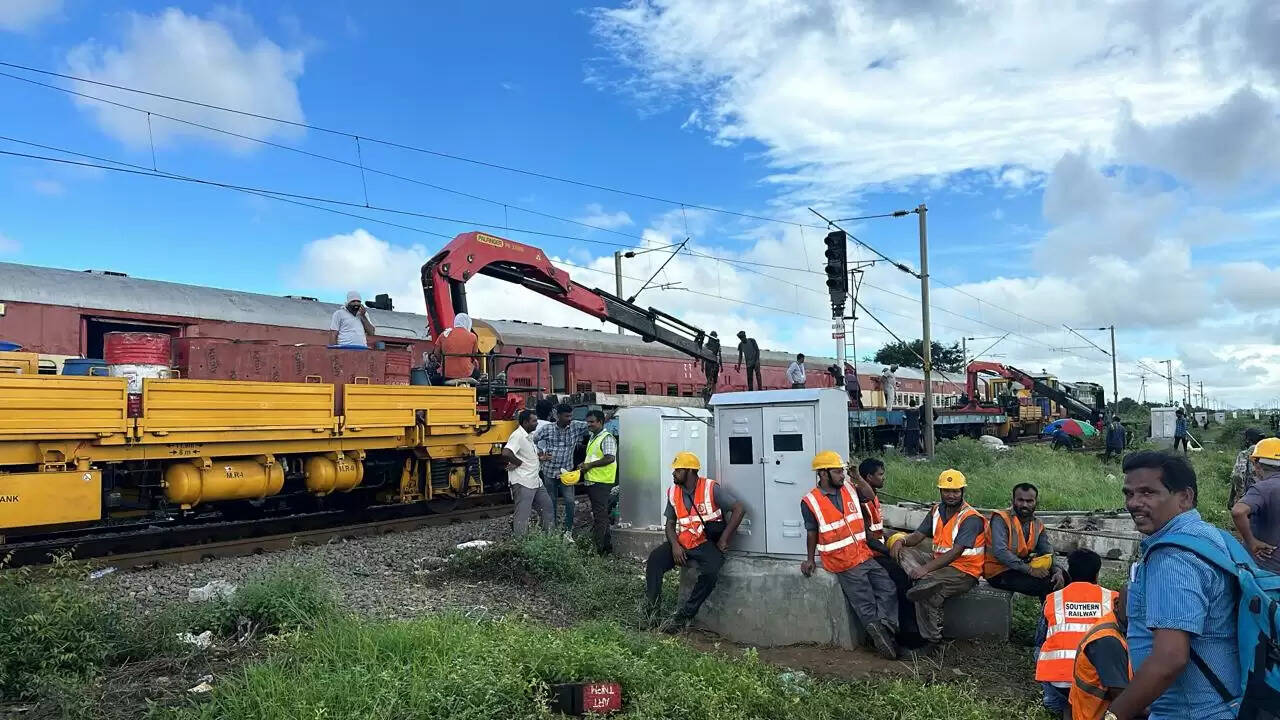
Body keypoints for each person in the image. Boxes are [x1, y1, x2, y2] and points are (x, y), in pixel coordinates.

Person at [1107, 451, 1239, 720]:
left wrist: (1112, 716)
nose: (1134, 503)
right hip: (1229, 700)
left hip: (1193, 711)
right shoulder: (1213, 537)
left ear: (1185, 497)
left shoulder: (1173, 558)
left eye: (1148, 493)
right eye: (1129, 493)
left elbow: (1170, 659)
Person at [800, 451, 900, 659]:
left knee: (887, 587)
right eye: (837, 472)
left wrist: (857, 476)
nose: (841, 476)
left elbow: (870, 496)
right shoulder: (810, 501)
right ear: (823, 474)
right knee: (864, 600)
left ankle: (885, 627)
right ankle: (881, 638)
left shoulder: (849, 488)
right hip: (841, 560)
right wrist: (810, 559)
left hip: (863, 553)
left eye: (842, 471)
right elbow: (812, 532)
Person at [642, 451, 745, 633]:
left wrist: (723, 539)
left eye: (678, 470)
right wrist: (674, 546)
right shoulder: (673, 492)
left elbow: (738, 509)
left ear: (690, 471)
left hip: (705, 542)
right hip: (683, 542)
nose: (673, 473)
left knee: (711, 571)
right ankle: (652, 615)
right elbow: (670, 524)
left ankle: (684, 616)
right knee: (655, 560)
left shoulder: (710, 488)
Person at [891, 469, 987, 654]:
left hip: (964, 571)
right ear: (940, 491)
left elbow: (956, 552)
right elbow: (918, 536)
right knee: (904, 552)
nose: (951, 495)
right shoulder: (936, 510)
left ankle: (931, 642)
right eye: (946, 491)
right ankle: (921, 581)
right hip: (938, 564)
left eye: (955, 491)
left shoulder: (971, 518)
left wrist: (925, 569)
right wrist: (900, 540)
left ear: (962, 492)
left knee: (927, 595)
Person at [1035, 549, 1118, 719]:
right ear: (1096, 575)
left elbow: (1039, 639)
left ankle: (1055, 700)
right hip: (1097, 681)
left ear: (1069, 574)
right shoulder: (1113, 598)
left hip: (1059, 680)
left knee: (1039, 648)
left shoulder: (1053, 599)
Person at [851, 457, 921, 644]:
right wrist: (889, 550)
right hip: (870, 553)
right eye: (880, 475)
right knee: (901, 582)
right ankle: (907, 634)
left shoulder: (872, 499)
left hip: (876, 550)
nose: (884, 478)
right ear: (868, 477)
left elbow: (878, 530)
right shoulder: (863, 503)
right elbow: (868, 537)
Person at [985, 483, 1066, 598]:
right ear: (1013, 500)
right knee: (1047, 584)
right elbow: (1000, 552)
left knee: (1063, 578)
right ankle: (1048, 616)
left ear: (1036, 502)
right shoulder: (1001, 518)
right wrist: (1030, 570)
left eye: (1029, 501)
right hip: (998, 572)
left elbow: (1047, 552)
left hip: (1020, 569)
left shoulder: (1038, 524)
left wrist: (1057, 570)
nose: (1024, 505)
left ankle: (1055, 615)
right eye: (1020, 500)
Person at [1069, 588, 1132, 720]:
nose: (1134, 612)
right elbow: (1124, 703)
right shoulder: (1108, 641)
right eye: (1130, 606)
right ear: (1116, 604)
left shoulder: (1121, 627)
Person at [532, 403, 586, 540]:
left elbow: (592, 425)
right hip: (549, 471)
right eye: (566, 416)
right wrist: (540, 454)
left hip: (566, 472)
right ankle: (553, 530)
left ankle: (568, 530)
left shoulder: (575, 426)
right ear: (558, 415)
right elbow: (532, 440)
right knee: (551, 502)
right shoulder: (547, 429)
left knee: (570, 501)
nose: (569, 418)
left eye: (571, 416)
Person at [1231, 436, 1280, 572]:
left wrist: (1251, 541)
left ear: (1257, 464)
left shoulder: (1263, 488)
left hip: (1265, 568)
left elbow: (1238, 512)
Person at [502, 410, 553, 537]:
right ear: (525, 422)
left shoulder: (529, 436)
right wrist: (518, 462)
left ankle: (549, 538)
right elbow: (506, 453)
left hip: (535, 480)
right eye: (534, 421)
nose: (536, 424)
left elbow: (526, 456)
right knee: (522, 515)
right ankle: (521, 544)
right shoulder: (518, 435)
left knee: (547, 507)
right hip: (523, 481)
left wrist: (540, 459)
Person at [577, 409, 617, 554]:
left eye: (592, 422)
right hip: (594, 481)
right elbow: (594, 457)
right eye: (587, 422)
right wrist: (585, 464)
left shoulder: (606, 438)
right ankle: (606, 548)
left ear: (600, 422)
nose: (589, 425)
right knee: (601, 515)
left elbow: (609, 458)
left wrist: (589, 465)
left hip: (601, 482)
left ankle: (598, 549)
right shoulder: (594, 436)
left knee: (600, 516)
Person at [1229, 427, 1265, 509]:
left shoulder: (1245, 454)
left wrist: (1240, 496)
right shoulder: (1270, 454)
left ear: (1249, 440)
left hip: (1250, 497)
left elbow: (1237, 475)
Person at [438, 313, 480, 381]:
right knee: (477, 373)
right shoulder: (473, 336)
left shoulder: (444, 334)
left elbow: (436, 353)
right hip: (466, 373)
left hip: (446, 374)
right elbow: (474, 355)